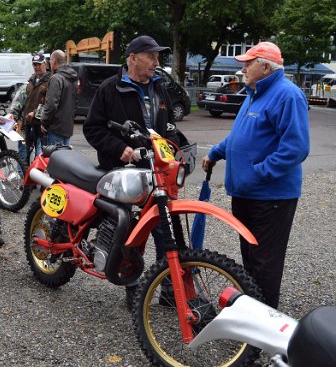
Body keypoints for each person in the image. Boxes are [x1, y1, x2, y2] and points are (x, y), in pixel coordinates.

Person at [202, 41, 310, 309]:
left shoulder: (288, 95)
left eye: (248, 63)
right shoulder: (254, 92)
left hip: (271, 197)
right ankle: (252, 313)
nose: (243, 69)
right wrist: (216, 152)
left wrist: (259, 172)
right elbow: (240, 135)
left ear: (265, 67)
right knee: (250, 258)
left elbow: (296, 148)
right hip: (247, 193)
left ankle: (264, 321)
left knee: (265, 263)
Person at [83, 35, 180, 310]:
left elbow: (170, 128)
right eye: (151, 56)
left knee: (166, 228)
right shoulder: (110, 88)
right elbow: (92, 128)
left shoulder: (159, 87)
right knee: (129, 231)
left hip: (156, 171)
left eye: (158, 57)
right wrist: (120, 148)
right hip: (122, 171)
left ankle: (170, 288)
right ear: (133, 58)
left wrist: (178, 149)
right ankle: (133, 286)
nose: (156, 62)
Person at [40, 50, 78, 146]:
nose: (49, 62)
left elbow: (51, 104)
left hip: (55, 128)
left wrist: (44, 122)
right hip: (67, 127)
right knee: (64, 155)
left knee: (54, 154)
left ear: (54, 61)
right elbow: (75, 102)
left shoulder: (56, 78)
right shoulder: (73, 78)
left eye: (50, 60)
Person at [20, 53, 51, 162]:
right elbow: (22, 101)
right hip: (28, 124)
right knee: (24, 155)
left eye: (39, 64)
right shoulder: (31, 81)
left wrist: (35, 113)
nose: (36, 67)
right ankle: (24, 172)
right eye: (34, 64)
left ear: (45, 64)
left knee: (40, 156)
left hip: (41, 124)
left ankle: (38, 172)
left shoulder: (50, 80)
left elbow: (50, 103)